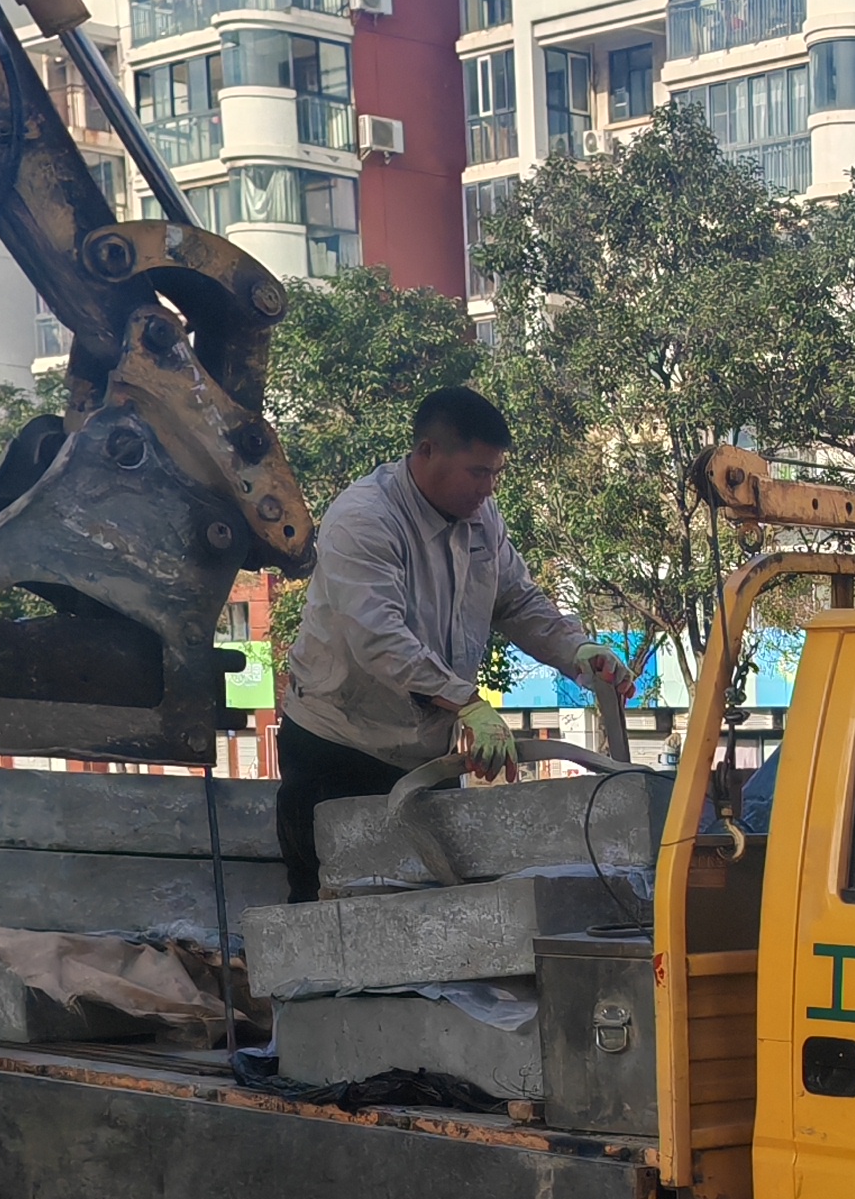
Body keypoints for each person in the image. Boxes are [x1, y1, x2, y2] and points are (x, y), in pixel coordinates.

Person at [271, 384, 633, 902]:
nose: (488, 488)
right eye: (477, 472)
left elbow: (517, 602)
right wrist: (466, 702)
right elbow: (378, 638)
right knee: (327, 910)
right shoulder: (364, 519)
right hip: (339, 748)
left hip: (422, 757)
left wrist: (574, 650)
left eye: (495, 473)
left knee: (433, 906)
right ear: (427, 453)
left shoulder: (483, 521)